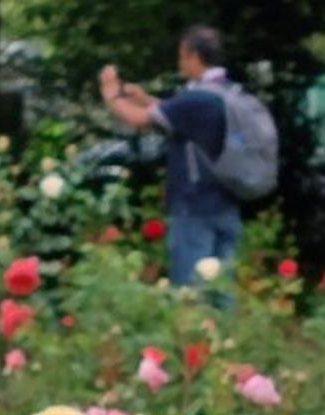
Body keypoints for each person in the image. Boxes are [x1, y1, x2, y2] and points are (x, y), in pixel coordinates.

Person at [99, 26, 241, 286]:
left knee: (190, 293)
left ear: (194, 56)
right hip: (227, 204)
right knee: (222, 293)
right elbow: (173, 114)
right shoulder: (230, 93)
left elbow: (139, 119)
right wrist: (143, 98)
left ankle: (193, 328)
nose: (180, 63)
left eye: (182, 56)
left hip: (194, 207)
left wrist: (112, 95)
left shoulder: (197, 98)